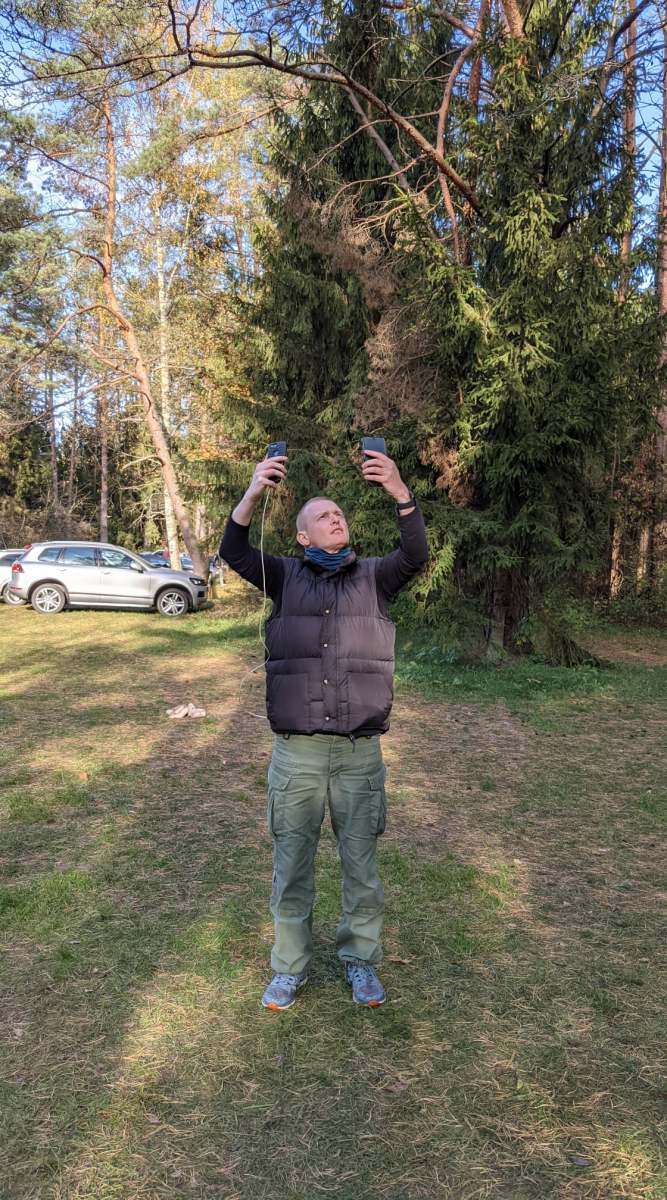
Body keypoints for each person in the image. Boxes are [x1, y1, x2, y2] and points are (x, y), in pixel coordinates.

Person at [220, 447, 428, 1010]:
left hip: (360, 755)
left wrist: (399, 490)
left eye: (339, 513)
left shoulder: (375, 578)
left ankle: (361, 961)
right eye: (322, 515)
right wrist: (254, 491)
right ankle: (289, 968)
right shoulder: (284, 576)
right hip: (298, 756)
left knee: (361, 869)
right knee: (292, 867)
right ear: (303, 536)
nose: (335, 518)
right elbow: (232, 550)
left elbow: (416, 553)